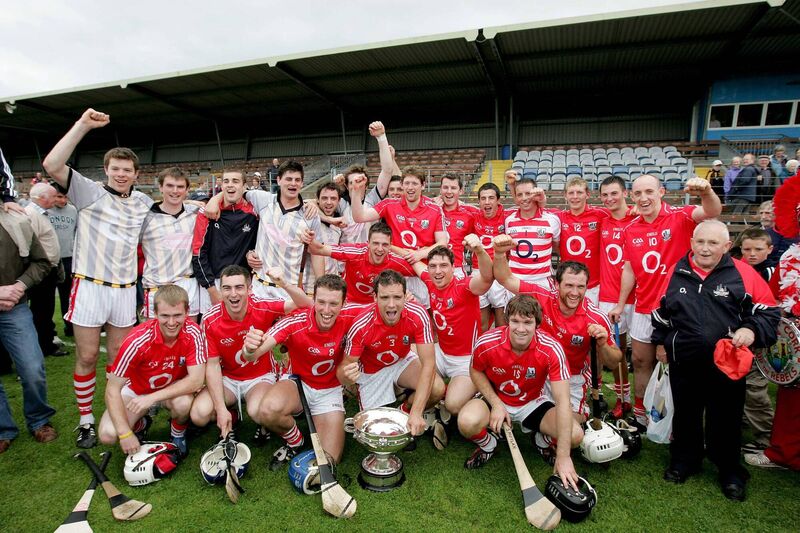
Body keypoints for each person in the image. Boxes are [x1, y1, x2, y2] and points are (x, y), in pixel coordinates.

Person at [42, 108, 155, 449]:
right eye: (115, 169)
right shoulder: (88, 192)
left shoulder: (143, 202)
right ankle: (86, 420)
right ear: (106, 170)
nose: (121, 175)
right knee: (88, 356)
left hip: (124, 290)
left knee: (117, 359)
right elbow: (52, 165)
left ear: (136, 174)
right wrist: (81, 126)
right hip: (90, 285)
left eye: (127, 170)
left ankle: (114, 414)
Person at [651, 220, 779, 501]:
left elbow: (769, 311)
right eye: (700, 242)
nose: (705, 249)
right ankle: (685, 460)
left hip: (727, 364)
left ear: (726, 246)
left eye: (712, 243)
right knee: (686, 414)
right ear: (692, 242)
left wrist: (751, 329)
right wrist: (661, 343)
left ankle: (730, 470)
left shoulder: (743, 273)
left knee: (727, 417)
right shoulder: (676, 270)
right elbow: (660, 312)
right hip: (684, 358)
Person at [609, 175, 721, 429]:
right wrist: (620, 303)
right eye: (638, 194)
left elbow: (713, 211)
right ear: (632, 197)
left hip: (679, 309)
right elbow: (629, 269)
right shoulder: (630, 228)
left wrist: (706, 192)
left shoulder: (681, 216)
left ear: (661, 192)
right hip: (644, 305)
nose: (643, 198)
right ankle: (642, 412)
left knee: (677, 364)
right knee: (639, 360)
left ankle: (676, 417)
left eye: (649, 192)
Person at [457, 295, 582, 490]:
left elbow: (563, 401)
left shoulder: (551, 349)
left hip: (532, 402)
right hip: (496, 397)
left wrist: (564, 456)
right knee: (466, 422)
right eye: (515, 321)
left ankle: (541, 439)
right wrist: (496, 403)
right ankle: (489, 444)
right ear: (507, 320)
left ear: (537, 324)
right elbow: (475, 370)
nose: (521, 329)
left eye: (527, 322)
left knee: (575, 435)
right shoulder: (487, 342)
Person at [494, 237, 622, 428]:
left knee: (569, 429)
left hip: (573, 378)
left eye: (581, 287)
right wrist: (499, 253)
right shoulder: (543, 297)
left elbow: (614, 361)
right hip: (538, 372)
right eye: (569, 285)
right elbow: (506, 279)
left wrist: (602, 343)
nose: (575, 292)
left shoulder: (595, 317)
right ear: (556, 284)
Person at [243, 275, 369, 466]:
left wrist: (407, 301)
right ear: (314, 301)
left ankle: (320, 423)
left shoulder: (352, 314)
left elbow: (382, 308)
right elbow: (252, 355)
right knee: (268, 410)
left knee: (330, 460)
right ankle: (296, 441)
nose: (326, 310)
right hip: (297, 383)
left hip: (330, 391)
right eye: (321, 302)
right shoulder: (295, 322)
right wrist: (249, 348)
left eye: (334, 304)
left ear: (344, 303)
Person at [189, 265, 310, 455]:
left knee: (258, 412)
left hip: (260, 376)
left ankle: (295, 439)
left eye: (239, 287)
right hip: (229, 379)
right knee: (199, 414)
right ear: (221, 290)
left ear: (249, 288)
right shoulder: (211, 319)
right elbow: (212, 366)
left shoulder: (262, 305)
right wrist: (221, 409)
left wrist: (284, 284)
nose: (233, 294)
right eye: (227, 288)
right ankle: (232, 415)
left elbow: (306, 305)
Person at [97, 285, 207, 457]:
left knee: (183, 403)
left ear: (187, 312)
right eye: (165, 316)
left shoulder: (193, 332)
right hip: (137, 391)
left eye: (177, 315)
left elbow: (196, 380)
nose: (171, 323)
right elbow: (112, 390)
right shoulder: (137, 340)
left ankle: (177, 434)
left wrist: (152, 398)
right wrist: (125, 433)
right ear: (155, 314)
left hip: (170, 391)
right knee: (108, 434)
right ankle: (140, 424)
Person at [338, 270, 445, 436]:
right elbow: (345, 369)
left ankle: (403, 412)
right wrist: (347, 377)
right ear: (375, 298)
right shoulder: (361, 324)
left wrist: (416, 412)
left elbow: (429, 365)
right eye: (384, 297)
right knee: (373, 432)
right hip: (372, 371)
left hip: (402, 361)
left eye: (397, 297)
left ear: (405, 296)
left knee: (437, 388)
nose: (391, 304)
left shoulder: (418, 314)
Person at [409, 238, 493, 447]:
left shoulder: (464, 286)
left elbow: (488, 276)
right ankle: (434, 406)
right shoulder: (429, 280)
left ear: (453, 268)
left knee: (454, 405)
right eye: (433, 266)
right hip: (442, 353)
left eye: (444, 266)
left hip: (466, 360)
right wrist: (415, 254)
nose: (438, 271)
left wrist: (480, 251)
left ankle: (477, 397)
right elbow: (413, 262)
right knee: (406, 356)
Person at [207, 161, 323, 300]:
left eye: (297, 180)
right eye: (288, 179)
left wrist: (321, 286)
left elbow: (317, 252)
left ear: (302, 183)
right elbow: (236, 190)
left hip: (288, 289)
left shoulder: (310, 215)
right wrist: (214, 200)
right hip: (259, 288)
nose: (293, 183)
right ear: (279, 180)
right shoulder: (262, 199)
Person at [0, 205, 58, 453]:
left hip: (15, 306)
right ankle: (3, 429)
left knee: (32, 367)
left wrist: (20, 286)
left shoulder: (16, 221)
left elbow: (41, 262)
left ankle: (39, 419)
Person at [349, 166, 448, 307]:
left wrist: (420, 254)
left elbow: (442, 242)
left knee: (427, 316)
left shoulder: (434, 209)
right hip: (395, 273)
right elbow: (359, 217)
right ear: (402, 185)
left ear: (423, 185)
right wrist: (356, 193)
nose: (410, 187)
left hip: (421, 273)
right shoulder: (389, 204)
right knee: (393, 317)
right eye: (407, 183)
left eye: (414, 183)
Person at [192, 170, 258, 315]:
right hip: (213, 283)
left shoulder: (253, 214)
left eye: (235, 181)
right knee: (210, 333)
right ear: (221, 186)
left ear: (244, 186)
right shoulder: (207, 213)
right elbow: (198, 254)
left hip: (241, 284)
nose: (230, 185)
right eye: (226, 181)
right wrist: (211, 289)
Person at [141, 168, 201, 320]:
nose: (175, 191)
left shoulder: (195, 213)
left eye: (180, 187)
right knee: (156, 340)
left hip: (188, 284)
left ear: (187, 189)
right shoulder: (145, 217)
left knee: (188, 337)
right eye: (169, 186)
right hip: (158, 287)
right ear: (160, 187)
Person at [306, 221, 416, 304]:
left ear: (390, 245)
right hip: (349, 304)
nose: (380, 249)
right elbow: (318, 249)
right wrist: (308, 239)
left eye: (385, 245)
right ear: (368, 243)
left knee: (411, 302)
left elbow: (427, 271)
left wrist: (406, 296)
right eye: (375, 243)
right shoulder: (356, 253)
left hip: (377, 307)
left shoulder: (396, 261)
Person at [597, 176, 634, 419]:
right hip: (609, 296)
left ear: (625, 193)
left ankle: (640, 401)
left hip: (638, 297)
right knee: (612, 350)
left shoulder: (638, 218)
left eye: (614, 194)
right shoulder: (602, 220)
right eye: (605, 195)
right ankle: (620, 399)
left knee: (641, 358)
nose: (610, 199)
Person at [736, 228, 776, 453]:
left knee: (754, 389)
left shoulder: (773, 273)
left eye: (758, 249)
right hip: (735, 338)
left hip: (758, 340)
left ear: (769, 250)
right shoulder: (733, 269)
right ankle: (739, 423)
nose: (752, 254)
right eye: (747, 249)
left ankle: (766, 439)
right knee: (732, 384)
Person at [24, 183, 65, 357]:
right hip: (41, 270)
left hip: (48, 268)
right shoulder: (31, 215)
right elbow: (29, 245)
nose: (56, 199)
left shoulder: (39, 214)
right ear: (42, 198)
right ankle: (43, 345)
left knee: (45, 308)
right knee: (41, 309)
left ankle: (46, 342)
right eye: (54, 196)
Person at [553, 177, 608, 304]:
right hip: (567, 282)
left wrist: (633, 210)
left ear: (587, 194)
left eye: (579, 192)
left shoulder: (600, 214)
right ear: (565, 195)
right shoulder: (559, 217)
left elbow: (622, 213)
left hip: (593, 284)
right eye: (571, 193)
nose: (575, 197)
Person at [503, 178, 560, 290]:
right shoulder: (509, 220)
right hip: (515, 279)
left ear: (536, 194)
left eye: (528, 194)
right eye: (519, 195)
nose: (524, 198)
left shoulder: (552, 220)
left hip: (542, 280)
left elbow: (557, 247)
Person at [473, 181, 509, 330]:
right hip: (479, 271)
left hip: (500, 273)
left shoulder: (508, 216)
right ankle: (481, 350)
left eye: (491, 198)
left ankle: (501, 349)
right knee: (481, 322)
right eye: (483, 198)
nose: (487, 202)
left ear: (498, 200)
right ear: (479, 201)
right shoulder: (473, 215)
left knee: (501, 321)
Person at [438, 174, 480, 277]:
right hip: (433, 266)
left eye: (453, 188)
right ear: (440, 189)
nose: (449, 191)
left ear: (461, 191)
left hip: (456, 269)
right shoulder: (431, 210)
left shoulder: (470, 214)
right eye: (445, 187)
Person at [49, 183, 77, 338]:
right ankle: (48, 331)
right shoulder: (45, 210)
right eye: (59, 196)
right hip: (49, 260)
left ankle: (70, 327)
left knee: (68, 296)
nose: (62, 200)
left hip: (68, 259)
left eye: (65, 197)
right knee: (47, 300)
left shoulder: (73, 211)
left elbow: (77, 232)